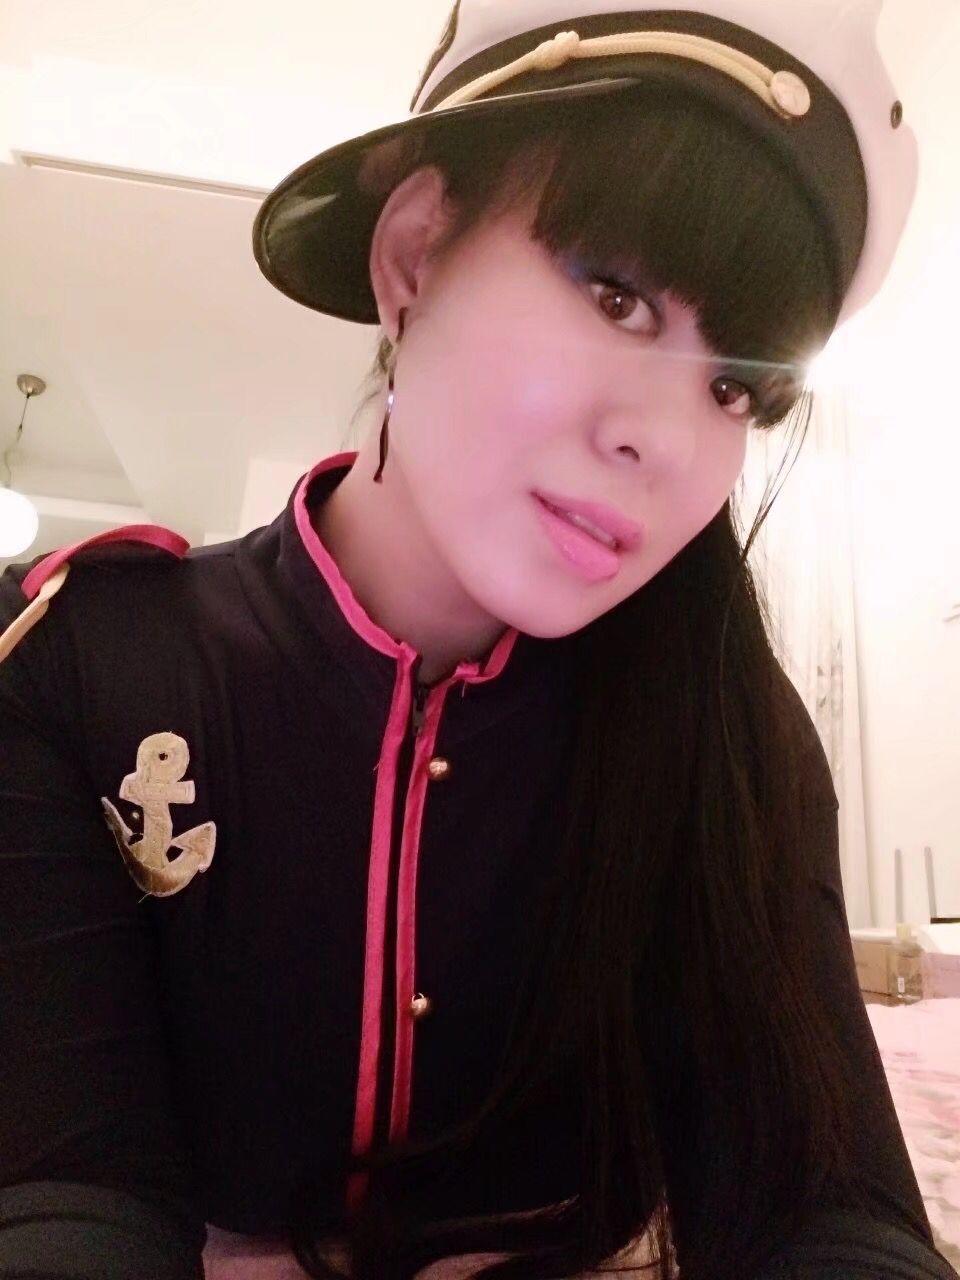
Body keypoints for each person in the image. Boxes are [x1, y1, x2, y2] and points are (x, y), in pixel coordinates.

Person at [0, 1, 957, 1278]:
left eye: (738, 387)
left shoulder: (726, 728)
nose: (667, 438)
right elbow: (63, 1191)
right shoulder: (81, 661)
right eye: (618, 295)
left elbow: (824, 1203)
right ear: (412, 254)